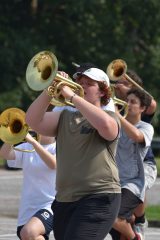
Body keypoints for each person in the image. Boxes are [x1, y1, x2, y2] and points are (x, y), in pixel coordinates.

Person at [25, 67, 121, 240]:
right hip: (64, 199)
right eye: (80, 83)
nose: (81, 86)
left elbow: (107, 127)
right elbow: (32, 121)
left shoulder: (109, 116)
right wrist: (50, 90)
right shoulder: (65, 116)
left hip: (98, 196)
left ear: (103, 91)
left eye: (89, 84)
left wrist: (72, 96)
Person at [113, 69, 157, 238]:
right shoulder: (115, 105)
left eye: (124, 83)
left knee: (139, 185)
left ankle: (139, 220)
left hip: (143, 163)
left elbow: (152, 104)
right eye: (119, 82)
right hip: (119, 173)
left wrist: (129, 92)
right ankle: (132, 220)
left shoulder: (141, 111)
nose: (118, 85)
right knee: (118, 226)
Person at [0, 132, 56, 240]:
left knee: (29, 231)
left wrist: (34, 142)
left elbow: (53, 164)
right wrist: (12, 136)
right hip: (28, 207)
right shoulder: (26, 148)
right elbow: (5, 154)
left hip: (50, 204)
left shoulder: (59, 148)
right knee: (28, 236)